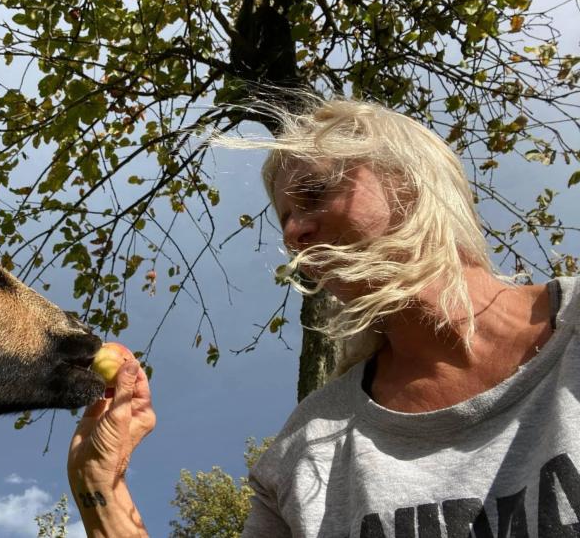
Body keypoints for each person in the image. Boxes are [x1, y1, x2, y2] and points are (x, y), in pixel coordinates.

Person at [66, 97, 579, 536]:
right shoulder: (306, 448)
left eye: (314, 194)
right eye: (284, 218)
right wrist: (98, 482)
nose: (292, 234)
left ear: (411, 182)